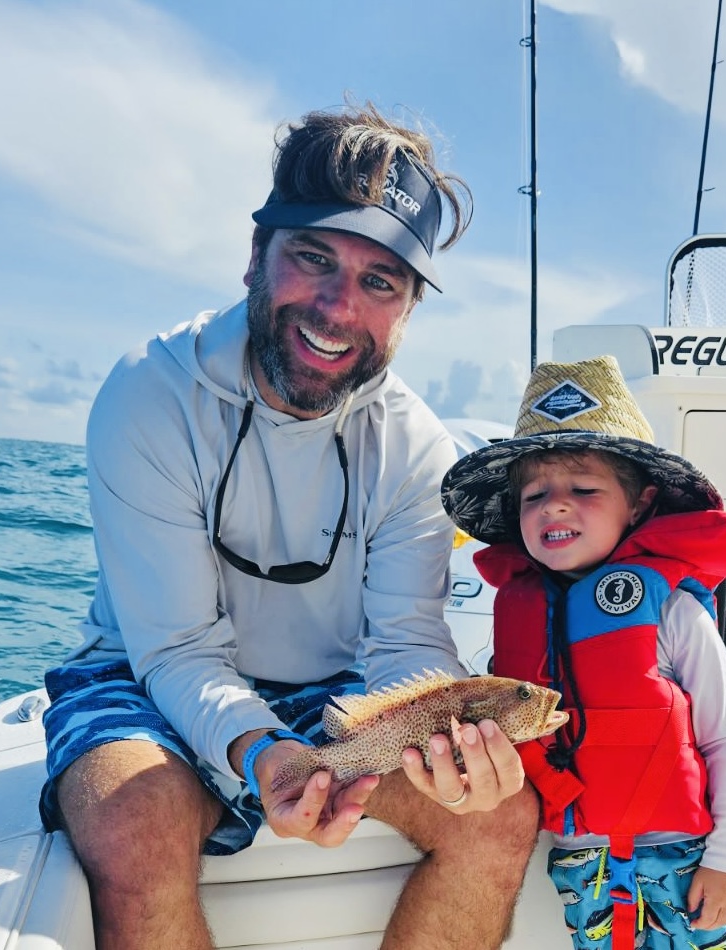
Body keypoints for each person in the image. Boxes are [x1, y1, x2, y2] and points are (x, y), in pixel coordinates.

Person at [39, 102, 539, 950]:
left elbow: (407, 644)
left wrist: (452, 754)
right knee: (135, 824)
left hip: (331, 697)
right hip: (144, 676)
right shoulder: (149, 394)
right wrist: (262, 752)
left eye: (381, 282)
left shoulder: (418, 444)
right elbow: (175, 649)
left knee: (500, 816)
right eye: (314, 258)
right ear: (254, 260)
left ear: (409, 310)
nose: (340, 307)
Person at [441, 355, 726, 950]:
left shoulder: (672, 612)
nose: (555, 506)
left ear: (638, 506)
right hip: (581, 862)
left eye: (584, 489)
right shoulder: (517, 613)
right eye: (534, 496)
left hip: (682, 859)